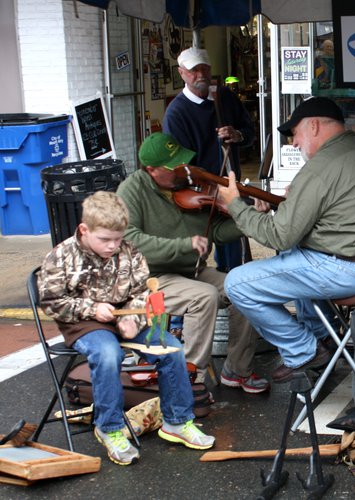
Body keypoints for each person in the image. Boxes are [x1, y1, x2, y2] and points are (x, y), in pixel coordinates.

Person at [218, 96, 355, 383]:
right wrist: (289, 206)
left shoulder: (321, 167)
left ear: (314, 126)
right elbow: (339, 211)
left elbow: (279, 233)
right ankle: (322, 336)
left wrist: (236, 205)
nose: (294, 143)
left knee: (237, 284)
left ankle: (303, 350)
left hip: (343, 270)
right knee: (291, 254)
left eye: (295, 133)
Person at [38, 191, 215, 466]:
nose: (112, 246)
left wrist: (134, 318)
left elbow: (143, 291)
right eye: (105, 239)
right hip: (84, 323)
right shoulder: (61, 256)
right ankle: (109, 428)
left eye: (117, 239)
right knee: (108, 354)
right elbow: (51, 302)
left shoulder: (129, 250)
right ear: (84, 230)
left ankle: (177, 422)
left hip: (124, 317)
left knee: (172, 348)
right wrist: (91, 309)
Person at [116, 132, 269, 394]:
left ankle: (237, 370)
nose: (183, 171)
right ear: (152, 170)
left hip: (190, 271)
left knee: (245, 287)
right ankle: (189, 378)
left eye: (183, 163)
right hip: (151, 277)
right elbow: (131, 243)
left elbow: (218, 232)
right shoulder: (132, 190)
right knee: (205, 295)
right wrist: (183, 245)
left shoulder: (189, 185)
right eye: (174, 167)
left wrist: (248, 217)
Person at [164, 46, 255, 272]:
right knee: (198, 249)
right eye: (194, 70)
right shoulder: (176, 113)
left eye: (204, 68)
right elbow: (181, 164)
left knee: (234, 242)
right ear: (181, 73)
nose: (201, 74)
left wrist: (237, 135)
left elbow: (249, 133)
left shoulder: (224, 97)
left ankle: (233, 288)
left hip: (229, 184)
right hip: (198, 192)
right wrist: (207, 186)